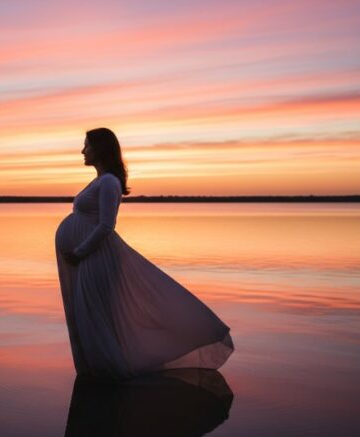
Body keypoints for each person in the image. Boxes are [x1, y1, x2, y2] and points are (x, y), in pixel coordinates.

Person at [55, 127, 234, 380]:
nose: (83, 150)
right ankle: (100, 373)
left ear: (100, 148)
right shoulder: (100, 180)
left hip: (97, 259)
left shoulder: (108, 182)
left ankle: (111, 375)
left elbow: (107, 225)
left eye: (87, 145)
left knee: (96, 317)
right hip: (89, 258)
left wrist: (80, 252)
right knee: (91, 317)